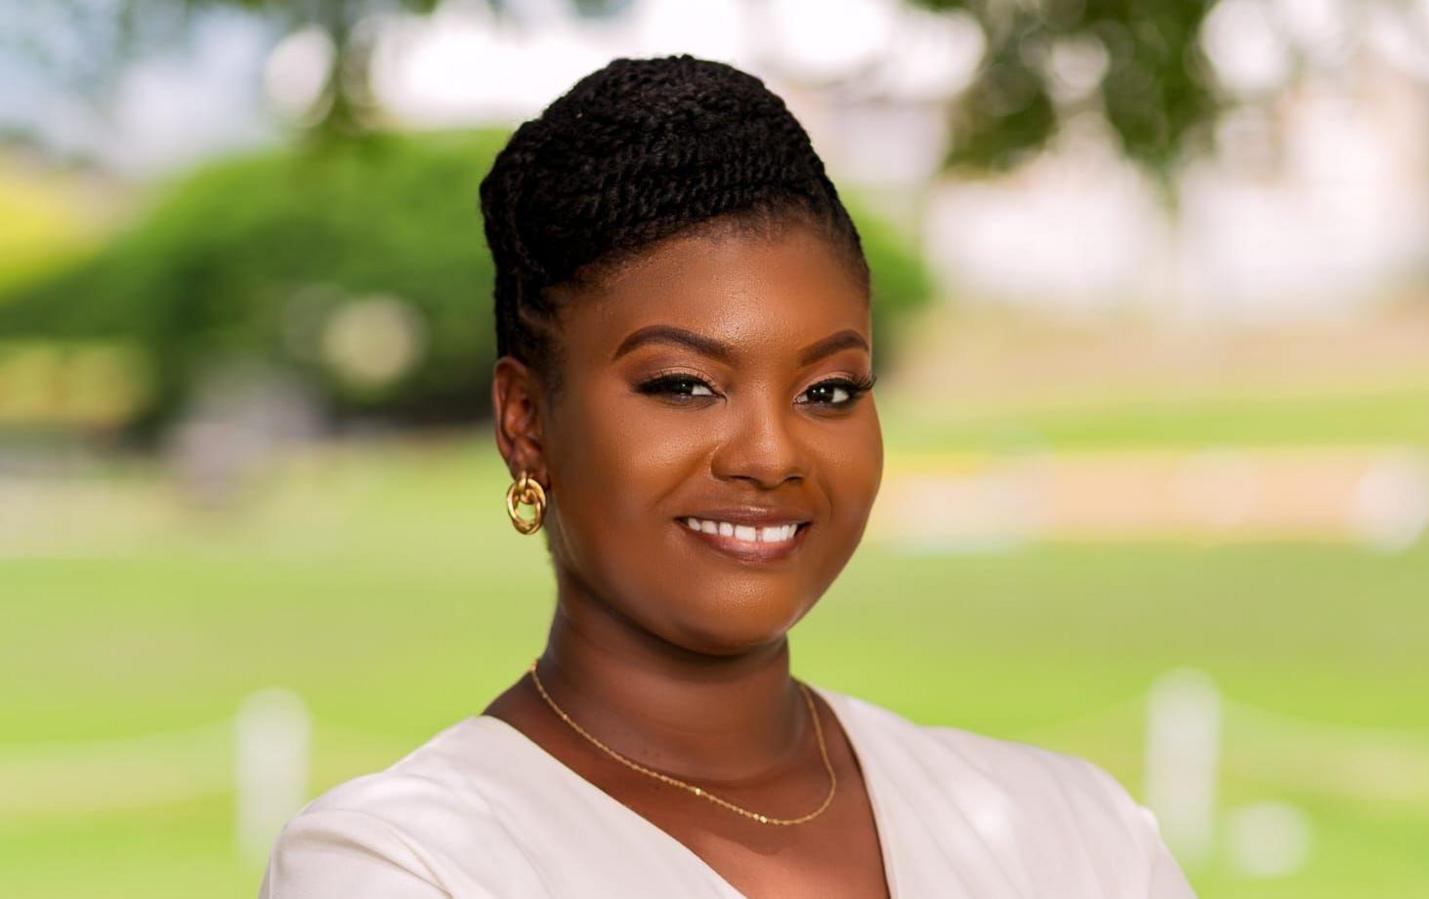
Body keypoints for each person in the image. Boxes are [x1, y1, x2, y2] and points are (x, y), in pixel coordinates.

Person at [258, 54, 1194, 898]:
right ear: (527, 423)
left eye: (828, 389)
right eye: (683, 385)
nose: (771, 453)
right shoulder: (402, 863)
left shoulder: (1075, 834)